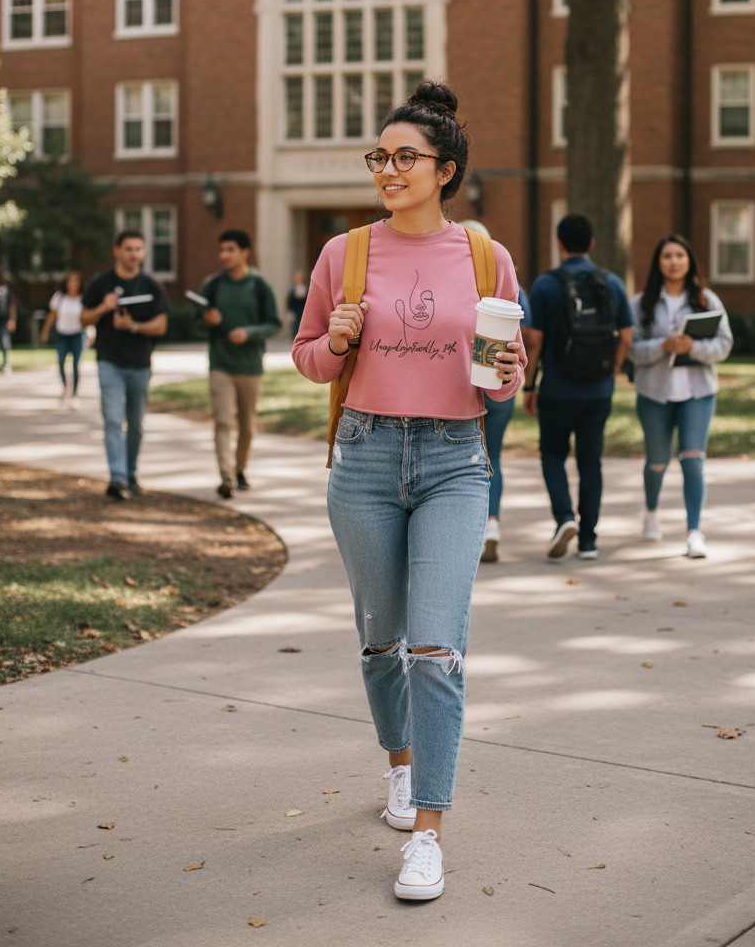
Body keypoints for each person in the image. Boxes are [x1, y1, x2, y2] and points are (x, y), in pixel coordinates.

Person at [293, 80, 525, 903]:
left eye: (404, 157)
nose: (388, 169)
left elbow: (505, 384)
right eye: (379, 158)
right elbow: (308, 355)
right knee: (381, 639)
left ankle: (427, 831)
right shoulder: (343, 254)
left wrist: (508, 372)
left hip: (454, 464)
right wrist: (336, 340)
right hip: (362, 458)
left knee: (436, 648)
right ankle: (399, 765)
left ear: (445, 169)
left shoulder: (485, 257)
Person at [523, 213, 633, 561]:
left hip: (557, 388)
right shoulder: (611, 282)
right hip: (598, 391)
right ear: (591, 244)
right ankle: (588, 541)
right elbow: (627, 335)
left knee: (553, 455)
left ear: (559, 245)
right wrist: (612, 369)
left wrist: (529, 385)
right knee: (590, 461)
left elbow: (535, 340)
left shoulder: (546, 284)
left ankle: (564, 518)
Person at [630, 234, 733, 559]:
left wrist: (695, 347)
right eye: (667, 256)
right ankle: (651, 511)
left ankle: (694, 533)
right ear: (658, 263)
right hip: (654, 394)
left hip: (697, 394)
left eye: (680, 256)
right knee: (656, 463)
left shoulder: (707, 299)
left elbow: (724, 344)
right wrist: (662, 345)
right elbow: (631, 349)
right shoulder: (642, 302)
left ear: (689, 262)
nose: (674, 261)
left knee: (693, 461)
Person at [460, 220, 533, 563]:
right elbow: (525, 335)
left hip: (465, 388)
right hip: (499, 381)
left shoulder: (454, 284)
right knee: (492, 457)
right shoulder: (510, 285)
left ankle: (468, 530)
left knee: (461, 459)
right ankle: (490, 525)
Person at [81, 231, 169, 500]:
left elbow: (161, 326)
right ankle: (117, 479)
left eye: (139, 249)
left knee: (136, 425)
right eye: (129, 249)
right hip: (110, 362)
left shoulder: (151, 286)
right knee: (113, 420)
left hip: (140, 364)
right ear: (117, 250)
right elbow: (84, 319)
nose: (134, 254)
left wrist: (133, 326)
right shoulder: (102, 282)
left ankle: (130, 475)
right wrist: (103, 309)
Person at [201, 230, 281, 499]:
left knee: (247, 426)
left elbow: (274, 324)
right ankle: (226, 477)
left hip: (250, 366)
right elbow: (196, 323)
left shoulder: (259, 286)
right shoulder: (212, 285)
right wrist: (206, 321)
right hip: (220, 363)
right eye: (221, 249)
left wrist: (249, 332)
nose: (224, 255)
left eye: (230, 249)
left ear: (245, 252)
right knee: (223, 422)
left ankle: (239, 469)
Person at [40, 270, 86, 406]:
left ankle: (75, 394)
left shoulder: (83, 299)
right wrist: (45, 331)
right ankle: (66, 389)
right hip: (62, 335)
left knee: (76, 365)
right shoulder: (59, 297)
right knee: (61, 364)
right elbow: (51, 316)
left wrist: (91, 332)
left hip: (78, 335)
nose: (73, 283)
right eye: (71, 280)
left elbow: (87, 317)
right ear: (66, 283)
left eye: (76, 280)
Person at [0, 266, 16, 373]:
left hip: (4, 319)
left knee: (5, 341)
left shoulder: (6, 290)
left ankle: (6, 363)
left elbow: (11, 305)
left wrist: (12, 319)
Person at [287, 269, 308, 339]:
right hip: (295, 310)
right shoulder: (292, 289)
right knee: (295, 326)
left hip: (303, 310)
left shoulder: (306, 288)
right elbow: (289, 300)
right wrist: (289, 310)